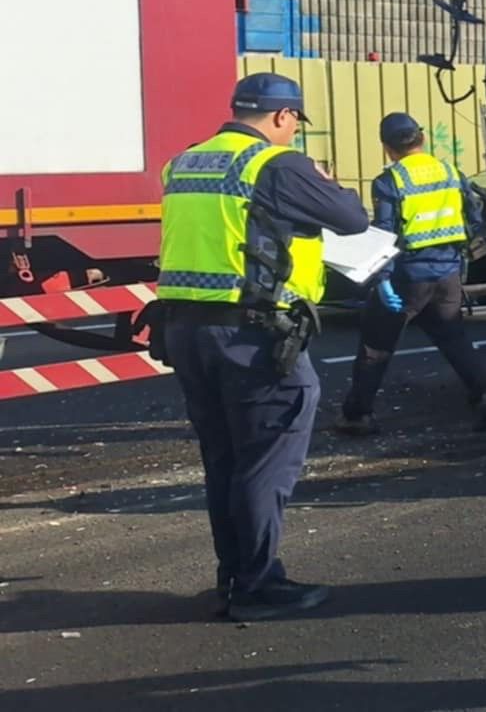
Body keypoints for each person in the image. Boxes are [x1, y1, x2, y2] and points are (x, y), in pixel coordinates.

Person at [154, 74, 368, 621]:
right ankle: (256, 584)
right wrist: (324, 180)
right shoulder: (275, 164)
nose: (294, 131)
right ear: (282, 117)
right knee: (265, 459)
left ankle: (234, 575)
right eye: (295, 121)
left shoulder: (185, 162)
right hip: (252, 337)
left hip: (186, 330)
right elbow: (352, 219)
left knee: (224, 459)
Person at [336, 113, 486, 435]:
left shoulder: (390, 180)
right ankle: (485, 395)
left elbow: (385, 233)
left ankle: (358, 415)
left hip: (408, 277)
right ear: (422, 138)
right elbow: (473, 217)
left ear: (387, 147)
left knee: (376, 345)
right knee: (453, 339)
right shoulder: (451, 171)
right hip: (448, 274)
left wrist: (382, 278)